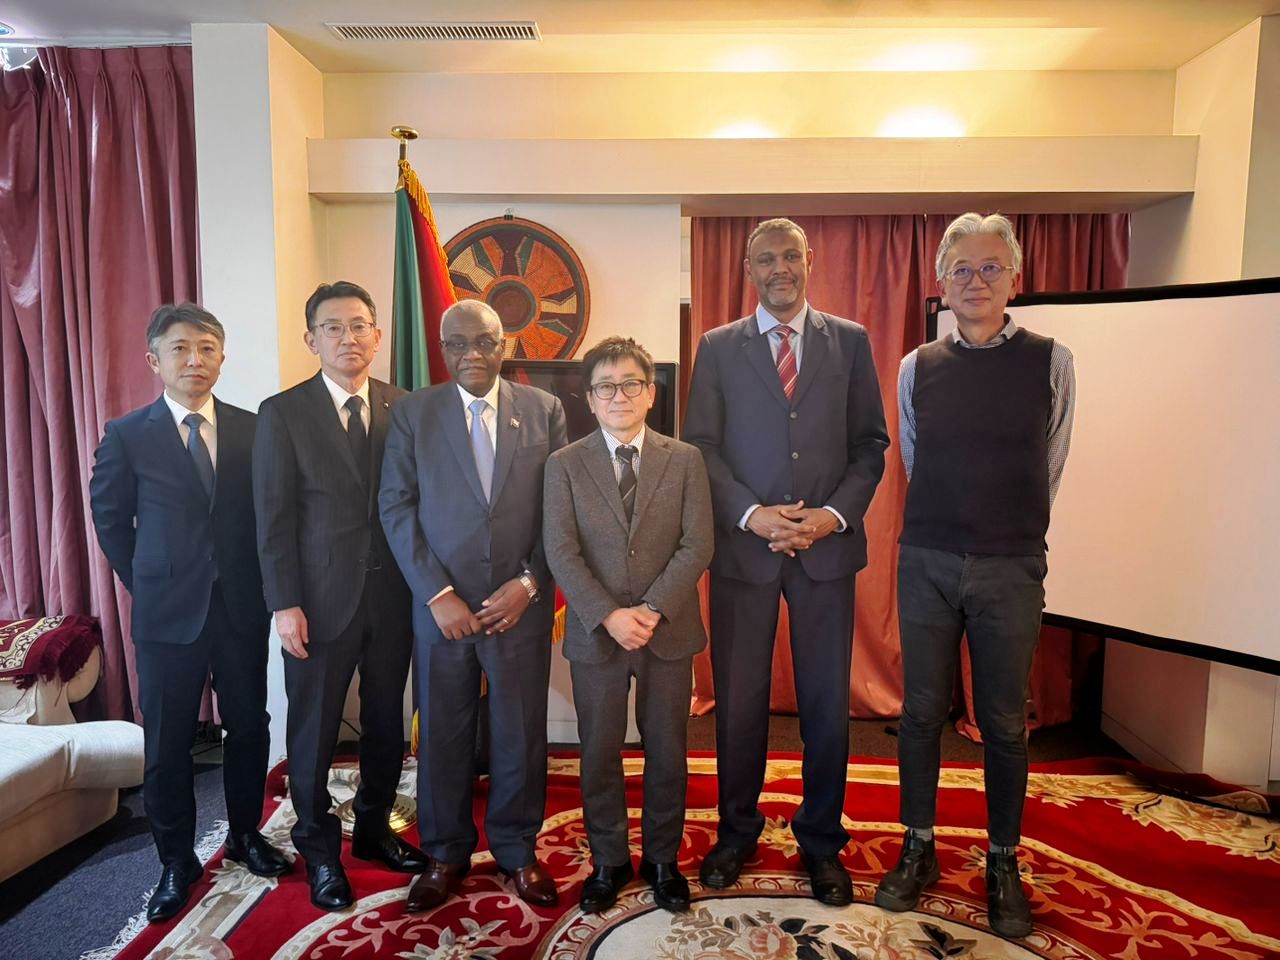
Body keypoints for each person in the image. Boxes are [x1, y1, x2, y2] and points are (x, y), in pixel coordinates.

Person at [874, 212, 1075, 940]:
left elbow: (1051, 459)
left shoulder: (1052, 360)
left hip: (1010, 564)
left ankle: (1002, 860)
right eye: (962, 269)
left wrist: (1005, 529)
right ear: (942, 281)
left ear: (1015, 278)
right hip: (927, 558)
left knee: (1002, 721)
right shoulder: (917, 366)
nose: (976, 281)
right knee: (921, 712)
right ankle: (918, 844)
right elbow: (916, 456)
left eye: (991, 267)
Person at [683, 218, 889, 905]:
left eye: (790, 256)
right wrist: (752, 514)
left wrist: (832, 516)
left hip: (826, 549)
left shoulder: (850, 342)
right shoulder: (718, 348)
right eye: (766, 258)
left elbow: (870, 445)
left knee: (827, 703)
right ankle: (736, 833)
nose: (780, 268)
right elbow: (702, 446)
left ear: (809, 261)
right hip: (745, 550)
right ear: (749, 269)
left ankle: (822, 842)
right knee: (738, 701)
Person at [90, 304, 287, 923]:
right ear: (155, 360)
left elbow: (269, 515)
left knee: (249, 727)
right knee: (168, 741)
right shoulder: (128, 434)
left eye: (206, 348)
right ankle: (175, 860)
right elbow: (110, 520)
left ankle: (245, 836)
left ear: (222, 357)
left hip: (240, 607)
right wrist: (149, 583)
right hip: (165, 614)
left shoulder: (254, 428)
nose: (194, 360)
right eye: (179, 349)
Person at [379, 299, 568, 911]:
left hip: (520, 606)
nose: (471, 354)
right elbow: (396, 506)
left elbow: (560, 509)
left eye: (483, 342)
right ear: (443, 349)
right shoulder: (414, 413)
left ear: (503, 343)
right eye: (457, 344)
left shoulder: (544, 409)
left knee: (520, 733)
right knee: (442, 733)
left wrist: (530, 584)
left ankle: (517, 850)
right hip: (442, 611)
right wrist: (437, 594)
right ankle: (445, 853)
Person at [253, 281, 426, 912]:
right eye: (333, 327)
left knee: (384, 724)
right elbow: (273, 517)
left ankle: (375, 831)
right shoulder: (283, 412)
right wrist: (284, 603)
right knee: (314, 732)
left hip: (393, 599)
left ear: (377, 337)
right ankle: (320, 850)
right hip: (317, 605)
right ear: (312, 339)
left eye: (359, 326)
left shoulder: (405, 406)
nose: (347, 338)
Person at [543, 336, 714, 914]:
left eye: (630, 384)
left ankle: (662, 859)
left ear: (650, 392)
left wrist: (652, 609)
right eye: (606, 387)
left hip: (669, 632)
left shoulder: (685, 460)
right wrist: (609, 615)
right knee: (599, 752)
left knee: (667, 750)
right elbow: (561, 550)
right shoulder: (564, 465)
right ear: (590, 398)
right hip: (599, 634)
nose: (619, 396)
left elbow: (697, 543)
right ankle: (609, 860)